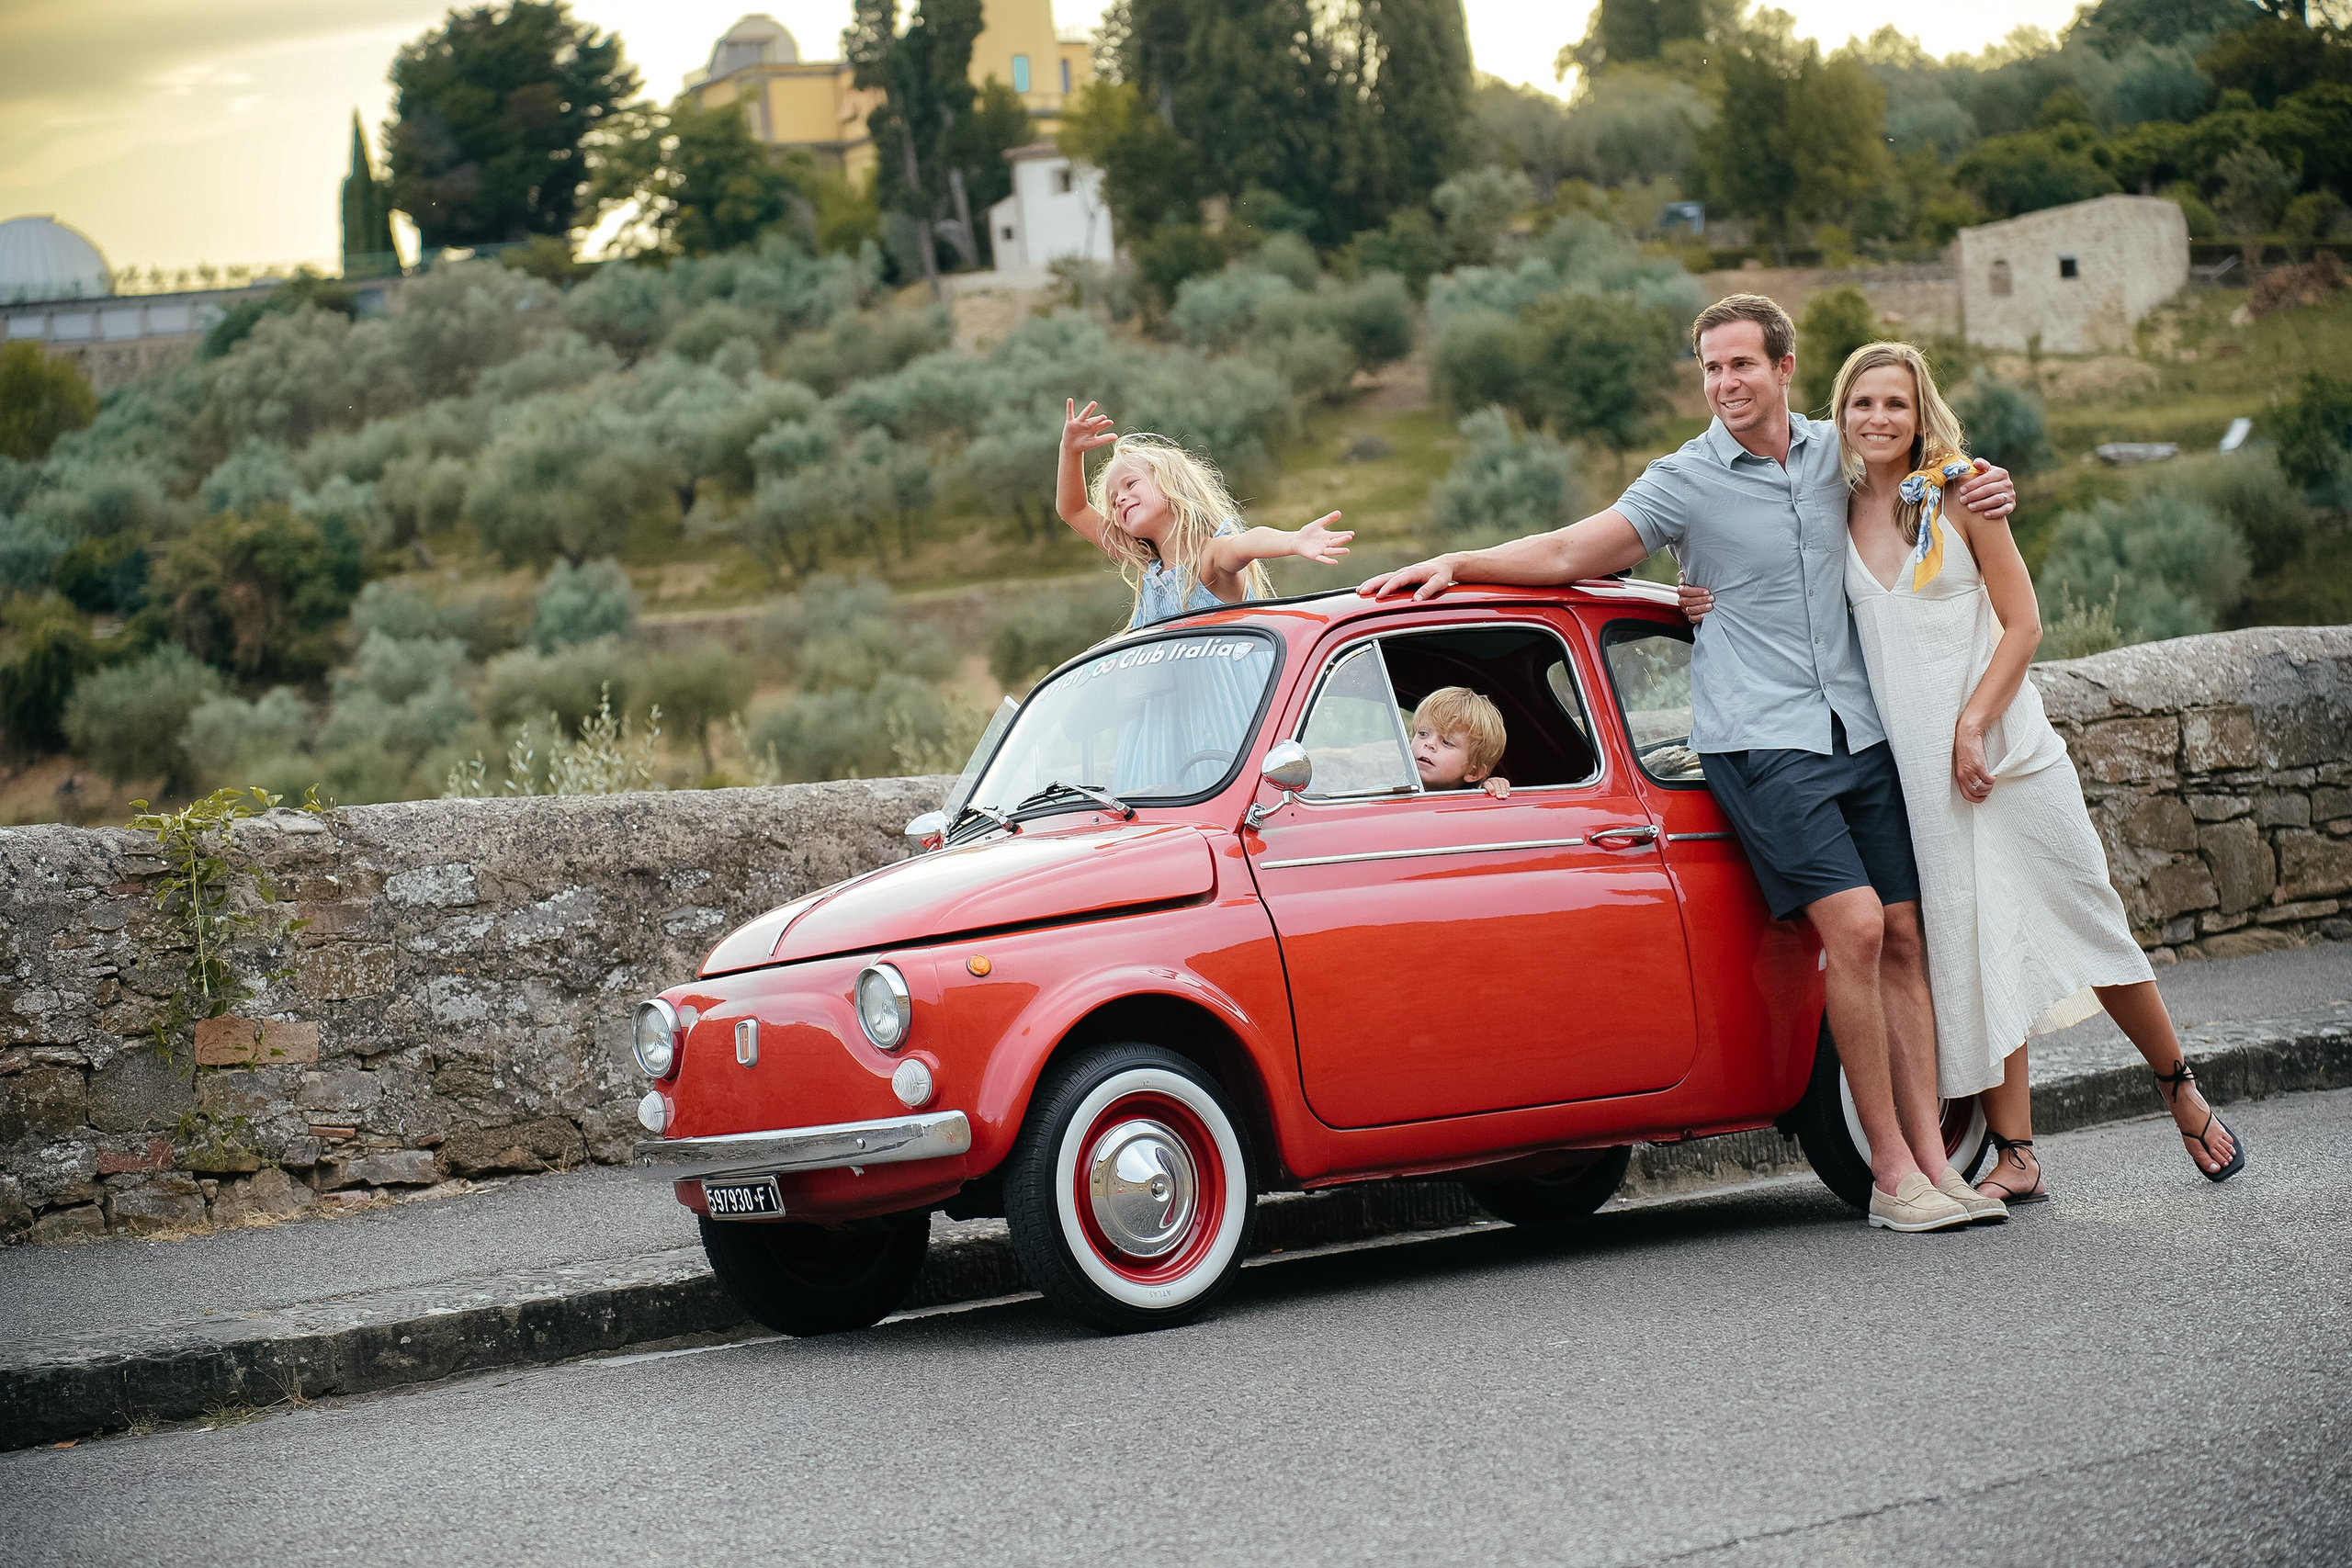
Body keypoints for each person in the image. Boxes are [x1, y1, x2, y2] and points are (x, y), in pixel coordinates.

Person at [1361, 293, 2019, 1234]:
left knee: (1908, 940)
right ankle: (1888, 1175)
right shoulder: (1683, 480)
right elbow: (1566, 549)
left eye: (1740, 366)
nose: (1723, 385)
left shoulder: (1838, 450)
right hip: (1760, 739)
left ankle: (1933, 1162)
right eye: (1709, 368)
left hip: (1859, 731)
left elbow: (1923, 469)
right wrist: (1458, 564)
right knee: (1859, 931)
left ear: (1783, 368)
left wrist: (1987, 483)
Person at [1679, 342, 2244, 1201]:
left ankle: (2180, 1088)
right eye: (1861, 404)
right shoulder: (1829, 504)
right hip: (1916, 773)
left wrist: (1974, 724)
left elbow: (2024, 625)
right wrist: (1694, 590)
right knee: (1976, 943)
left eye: (1895, 405)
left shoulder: (1962, 492)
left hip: (2006, 753)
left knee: (2091, 920)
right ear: (1840, 413)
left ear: (1920, 413)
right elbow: (1765, 564)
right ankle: (2016, 1150)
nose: (1877, 420)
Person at [1057, 400, 1354, 628]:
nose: (1120, 499)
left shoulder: (1211, 556)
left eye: (1131, 484)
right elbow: (1074, 509)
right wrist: (1071, 451)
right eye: (1113, 500)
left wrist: (1293, 541)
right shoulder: (1148, 566)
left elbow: (1246, 543)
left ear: (1172, 485)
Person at [1410, 688, 1512, 797]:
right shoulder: (1393, 777)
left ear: (1473, 772)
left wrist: (1488, 792)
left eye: (1446, 742)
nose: (1429, 743)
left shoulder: (1471, 806)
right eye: (1423, 733)